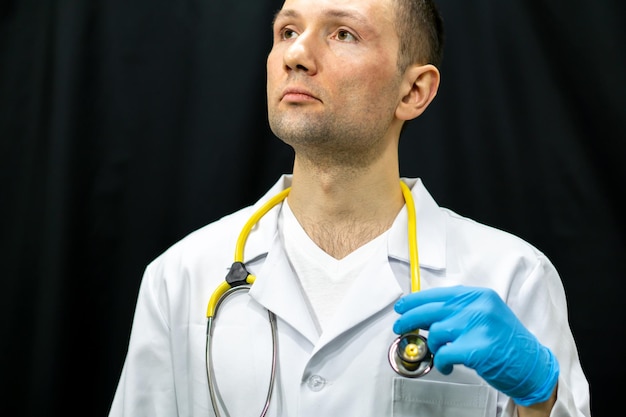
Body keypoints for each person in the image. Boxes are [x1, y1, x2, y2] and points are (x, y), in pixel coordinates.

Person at [108, 0, 591, 415]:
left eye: (343, 34)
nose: (296, 54)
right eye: (288, 31)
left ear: (413, 90)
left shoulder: (511, 276)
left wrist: (542, 398)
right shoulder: (181, 277)